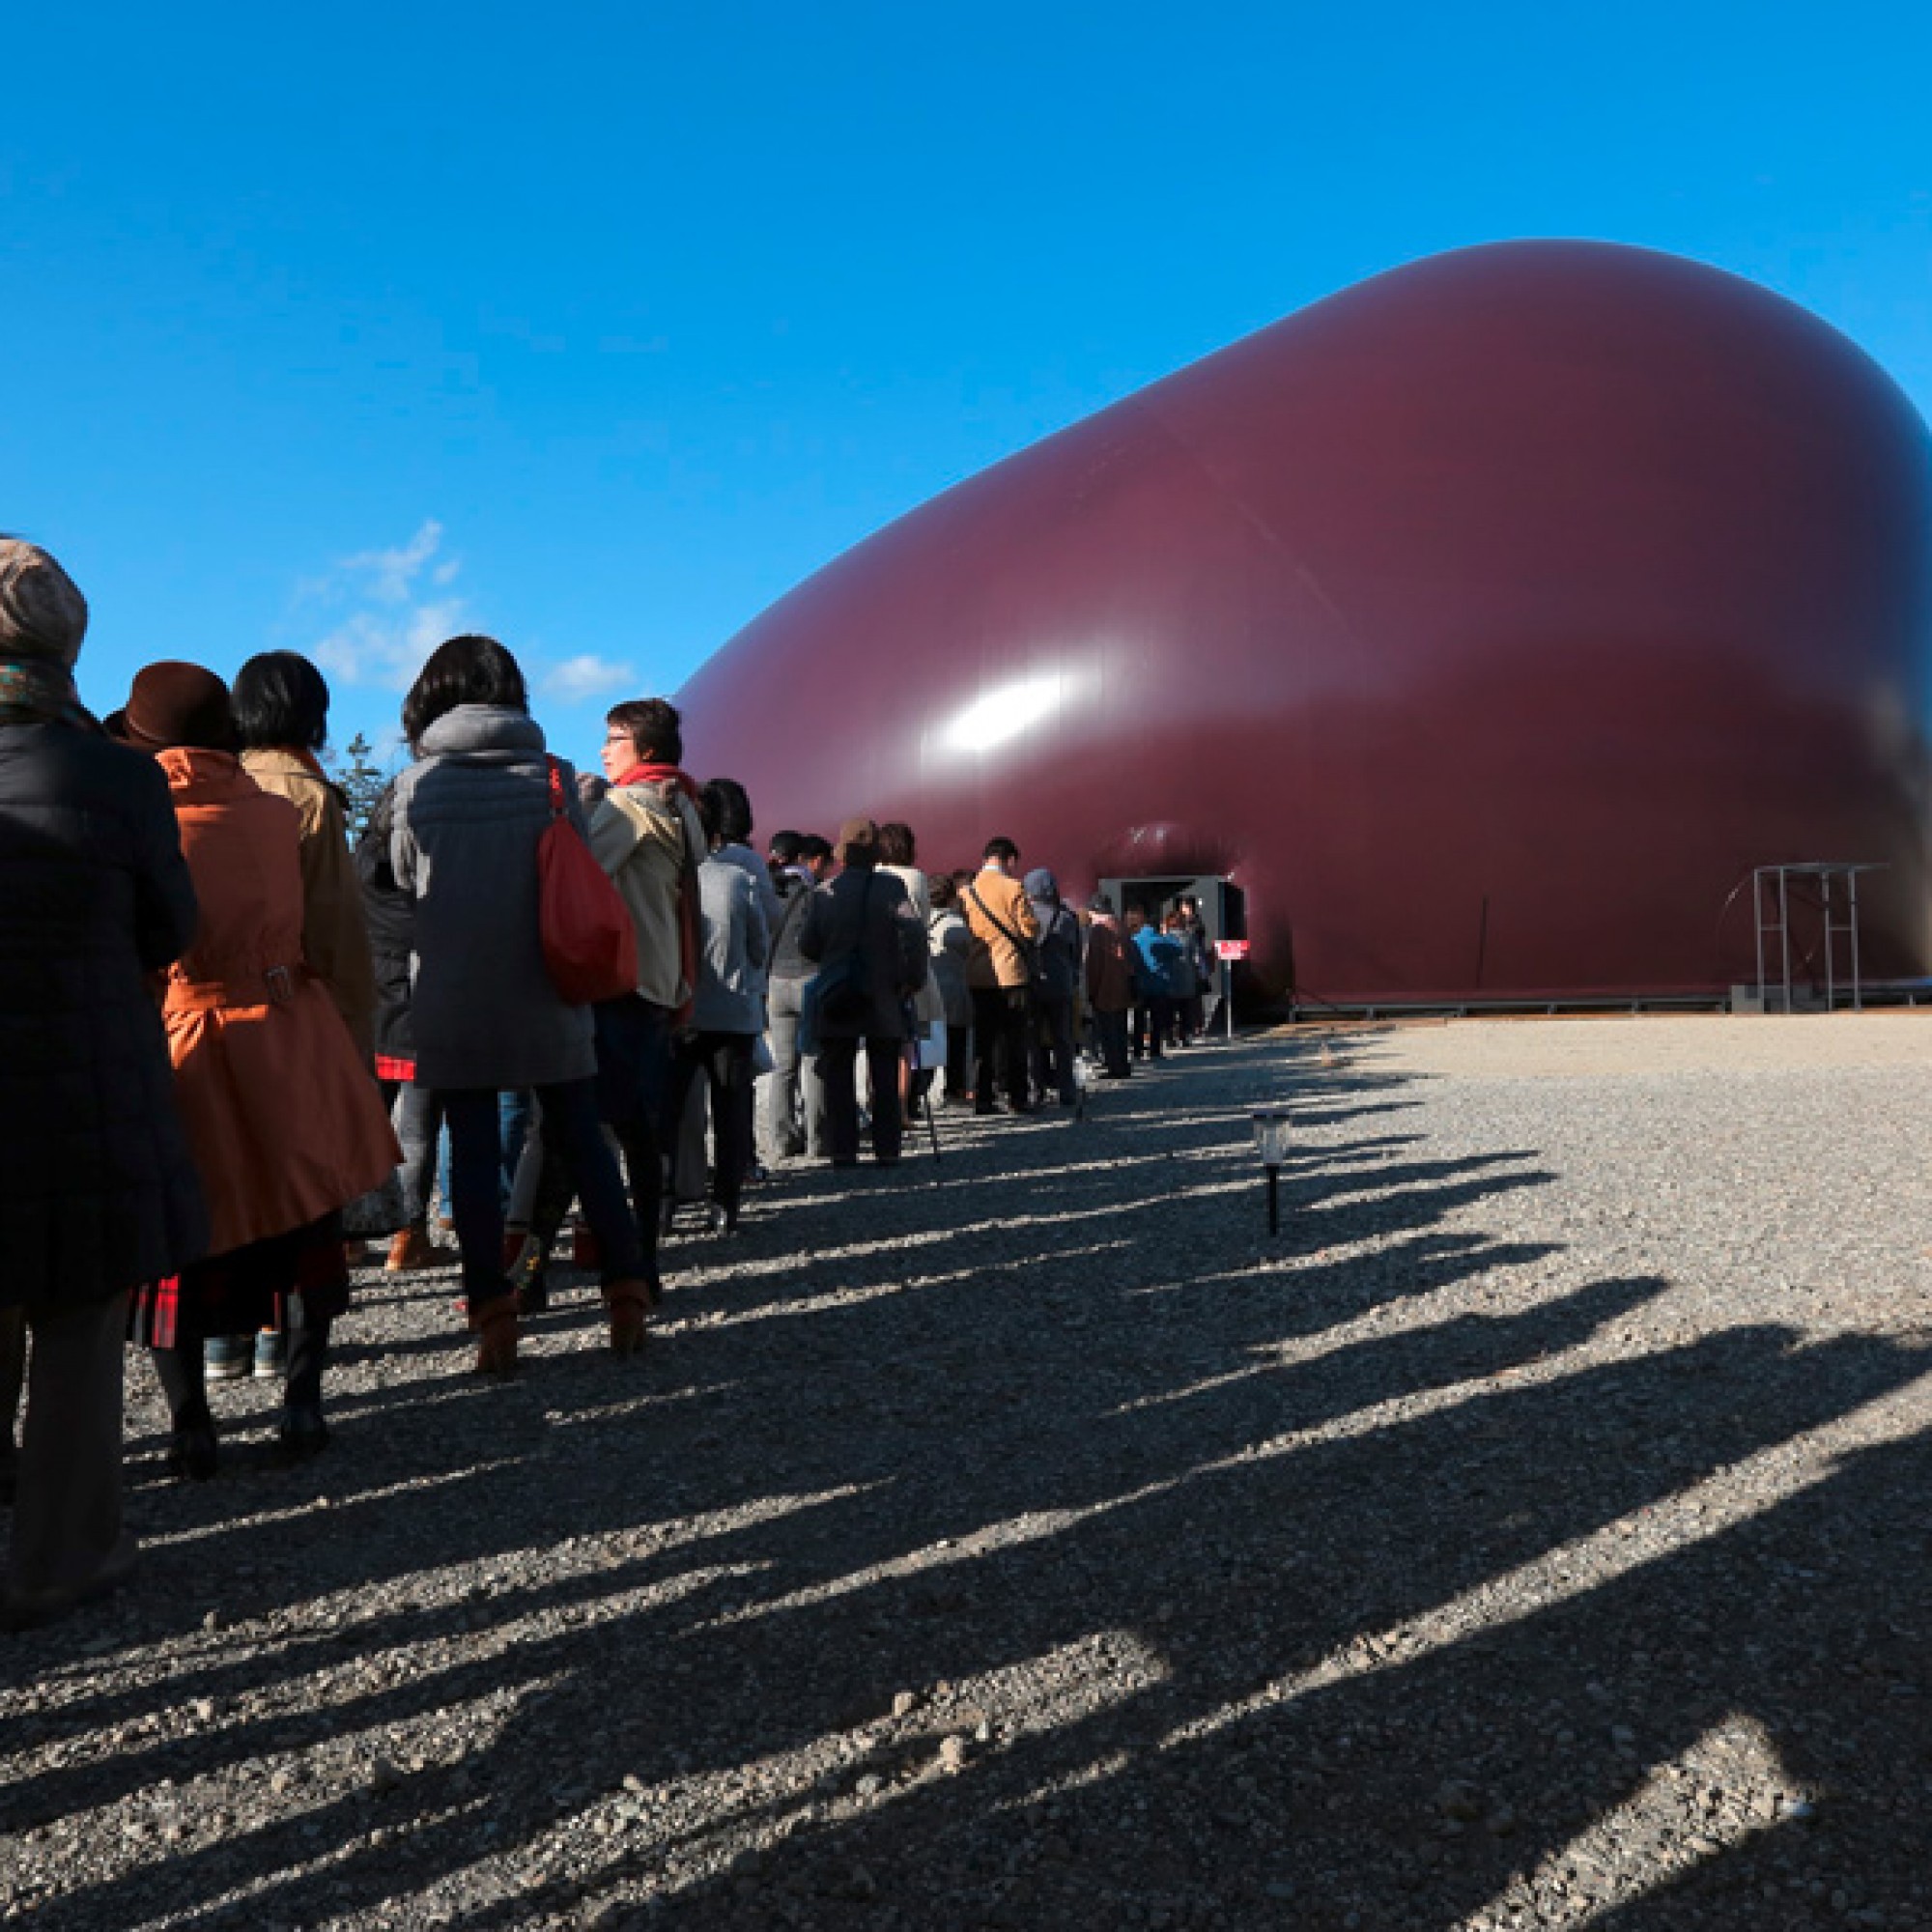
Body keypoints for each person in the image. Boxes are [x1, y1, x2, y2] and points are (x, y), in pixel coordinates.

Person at [118, 661, 398, 1473]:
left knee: (181, 1233)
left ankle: (191, 1424)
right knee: (305, 1216)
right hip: (289, 1025)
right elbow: (337, 937)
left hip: (182, 1035)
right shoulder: (282, 814)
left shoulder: (141, 817)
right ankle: (302, 1407)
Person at [0, 541, 207, 1626]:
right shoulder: (120, 777)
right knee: (78, 1323)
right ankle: (60, 1554)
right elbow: (171, 925)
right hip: (83, 1080)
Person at [388, 637, 655, 1369]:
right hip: (549, 988)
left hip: (455, 994)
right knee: (581, 1139)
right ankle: (627, 1292)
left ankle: (494, 1316)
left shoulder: (415, 786)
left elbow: (408, 885)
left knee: (474, 1154)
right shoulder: (556, 780)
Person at [225, 649, 382, 1374]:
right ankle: (274, 1340)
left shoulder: (208, 785)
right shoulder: (309, 797)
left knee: (228, 1168)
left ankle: (220, 1334)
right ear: (313, 714)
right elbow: (336, 932)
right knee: (294, 1179)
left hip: (200, 1014)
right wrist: (356, 1035)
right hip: (291, 1008)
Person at [355, 780, 451, 1271]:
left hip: (370, 1006)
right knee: (416, 1131)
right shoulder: (431, 870)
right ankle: (407, 1237)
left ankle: (350, 1235)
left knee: (364, 1127)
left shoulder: (361, 864)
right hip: (419, 1006)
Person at [668, 781, 769, 1232]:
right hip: (732, 1013)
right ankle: (725, 1205)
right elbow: (758, 946)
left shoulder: (666, 878)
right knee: (731, 1111)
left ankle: (666, 1201)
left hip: (679, 1012)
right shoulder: (737, 878)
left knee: (669, 1113)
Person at [800, 818, 928, 1167]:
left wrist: (833, 956)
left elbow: (808, 945)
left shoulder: (824, 893)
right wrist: (913, 977)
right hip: (884, 991)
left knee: (838, 1073)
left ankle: (843, 1149)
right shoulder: (891, 888)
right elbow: (914, 935)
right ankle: (887, 1148)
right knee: (885, 1071)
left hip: (837, 989)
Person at [759, 833, 832, 1162]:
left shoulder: (765, 890)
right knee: (814, 1060)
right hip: (809, 980)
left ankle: (781, 1140)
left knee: (783, 1066)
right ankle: (818, 1140)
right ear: (801, 857)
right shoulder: (813, 894)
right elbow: (821, 939)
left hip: (775, 982)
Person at [960, 836, 1039, 1115]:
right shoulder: (1013, 887)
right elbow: (1029, 929)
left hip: (978, 975)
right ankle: (1017, 1098)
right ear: (1010, 859)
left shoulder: (966, 891)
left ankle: (983, 1098)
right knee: (1015, 1038)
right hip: (1011, 975)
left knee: (983, 1039)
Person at [876, 822, 947, 1114]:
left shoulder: (875, 874)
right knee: (910, 1039)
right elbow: (923, 921)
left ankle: (880, 1100)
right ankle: (905, 1105)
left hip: (879, 966)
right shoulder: (915, 877)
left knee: (880, 1043)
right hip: (910, 965)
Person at [1024, 867, 1083, 1105]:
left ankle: (1036, 1090)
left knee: (1033, 1040)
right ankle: (1066, 1090)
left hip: (1034, 984)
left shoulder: (1025, 918)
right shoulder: (1066, 918)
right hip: (1061, 985)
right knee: (1063, 1039)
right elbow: (1075, 955)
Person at [924, 872, 974, 1105]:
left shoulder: (921, 922)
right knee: (956, 1041)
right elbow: (969, 954)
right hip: (955, 989)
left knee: (928, 1040)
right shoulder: (958, 924)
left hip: (930, 991)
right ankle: (954, 1088)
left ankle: (924, 1089)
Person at [1083, 894, 1135, 1078]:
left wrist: (1091, 990)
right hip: (1122, 987)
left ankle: (1115, 1067)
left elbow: (1094, 964)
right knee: (1120, 1029)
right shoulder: (1121, 927)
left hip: (1105, 988)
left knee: (1108, 1031)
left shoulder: (1098, 930)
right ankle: (1123, 1064)